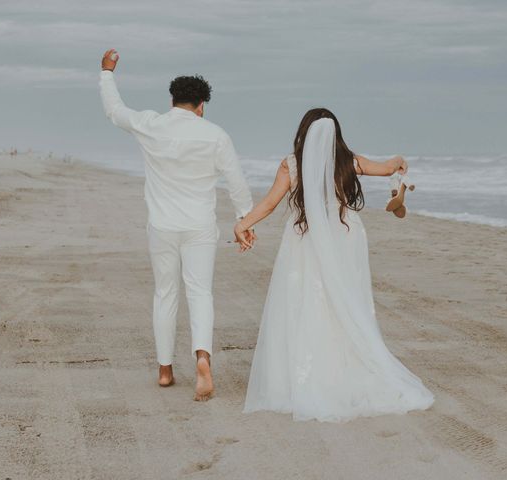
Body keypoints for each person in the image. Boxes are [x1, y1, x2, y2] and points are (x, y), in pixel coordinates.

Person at [235, 108, 434, 422]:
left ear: (304, 132)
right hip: (344, 234)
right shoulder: (349, 161)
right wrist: (397, 160)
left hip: (306, 238)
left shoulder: (291, 165)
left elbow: (270, 203)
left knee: (306, 301)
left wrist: (243, 223)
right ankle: (344, 366)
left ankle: (308, 371)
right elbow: (385, 169)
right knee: (343, 297)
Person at [99, 49, 255, 401]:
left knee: (165, 293)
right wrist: (244, 220)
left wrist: (107, 73)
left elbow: (115, 111)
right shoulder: (215, 134)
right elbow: (236, 182)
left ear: (172, 100)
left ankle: (166, 369)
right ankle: (202, 358)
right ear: (202, 105)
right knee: (200, 292)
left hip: (163, 226)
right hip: (200, 226)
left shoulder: (152, 125)